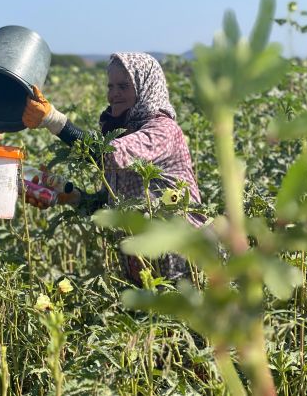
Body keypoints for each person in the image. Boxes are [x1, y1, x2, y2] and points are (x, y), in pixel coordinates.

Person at [22, 52, 204, 285]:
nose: (114, 93)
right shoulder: (121, 133)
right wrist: (69, 196)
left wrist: (54, 120)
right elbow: (111, 208)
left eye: (123, 86)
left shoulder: (164, 129)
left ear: (145, 86)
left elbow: (109, 155)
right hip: (145, 267)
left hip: (185, 262)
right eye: (110, 86)